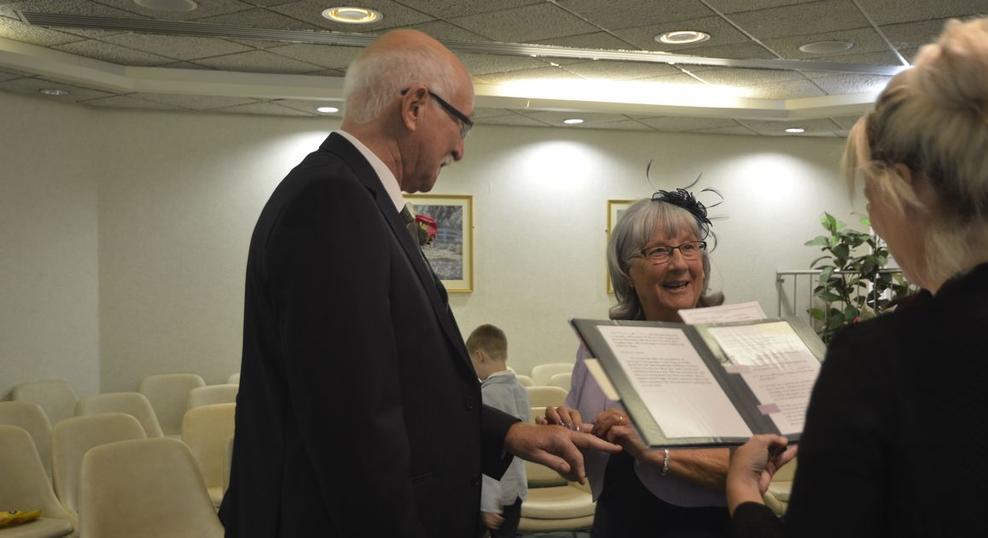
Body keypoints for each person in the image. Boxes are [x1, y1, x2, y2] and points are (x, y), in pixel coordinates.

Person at [220, 30, 618, 538]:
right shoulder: (333, 202)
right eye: (462, 123)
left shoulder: (352, 196)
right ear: (414, 107)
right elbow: (355, 427)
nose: (460, 148)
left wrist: (511, 433)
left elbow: (410, 390)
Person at [726, 11, 988, 538]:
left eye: (871, 198)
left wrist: (744, 498)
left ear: (907, 189)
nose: (874, 222)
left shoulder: (881, 359)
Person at [544, 189, 732, 538]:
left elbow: (752, 471)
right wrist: (565, 433)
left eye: (689, 247)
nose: (680, 263)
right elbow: (578, 465)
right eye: (659, 251)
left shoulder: (730, 345)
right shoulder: (597, 346)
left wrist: (652, 450)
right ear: (627, 271)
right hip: (617, 523)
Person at [467, 324, 529, 538]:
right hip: (517, 489)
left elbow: (489, 453)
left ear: (479, 356)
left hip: (495, 495)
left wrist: (488, 504)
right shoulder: (521, 390)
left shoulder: (485, 396)